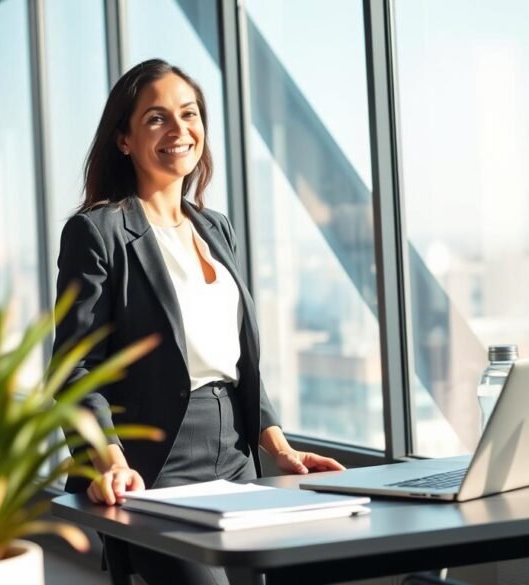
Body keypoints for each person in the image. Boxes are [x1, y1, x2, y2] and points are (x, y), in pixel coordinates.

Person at [53, 58, 345, 585]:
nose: (179, 130)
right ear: (124, 139)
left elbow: (234, 358)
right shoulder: (98, 233)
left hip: (235, 458)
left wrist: (278, 447)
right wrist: (111, 462)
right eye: (156, 118)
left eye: (188, 114)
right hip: (153, 465)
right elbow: (76, 370)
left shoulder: (216, 227)